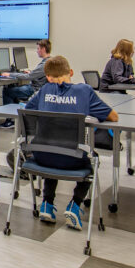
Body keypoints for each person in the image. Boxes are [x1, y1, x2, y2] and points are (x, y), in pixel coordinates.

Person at [22, 55, 118, 229]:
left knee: (52, 148)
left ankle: (47, 204)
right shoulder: (84, 91)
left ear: (48, 78)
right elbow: (113, 116)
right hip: (73, 159)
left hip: (41, 156)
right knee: (92, 159)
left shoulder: (44, 91)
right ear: (71, 72)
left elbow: (28, 110)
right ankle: (75, 205)